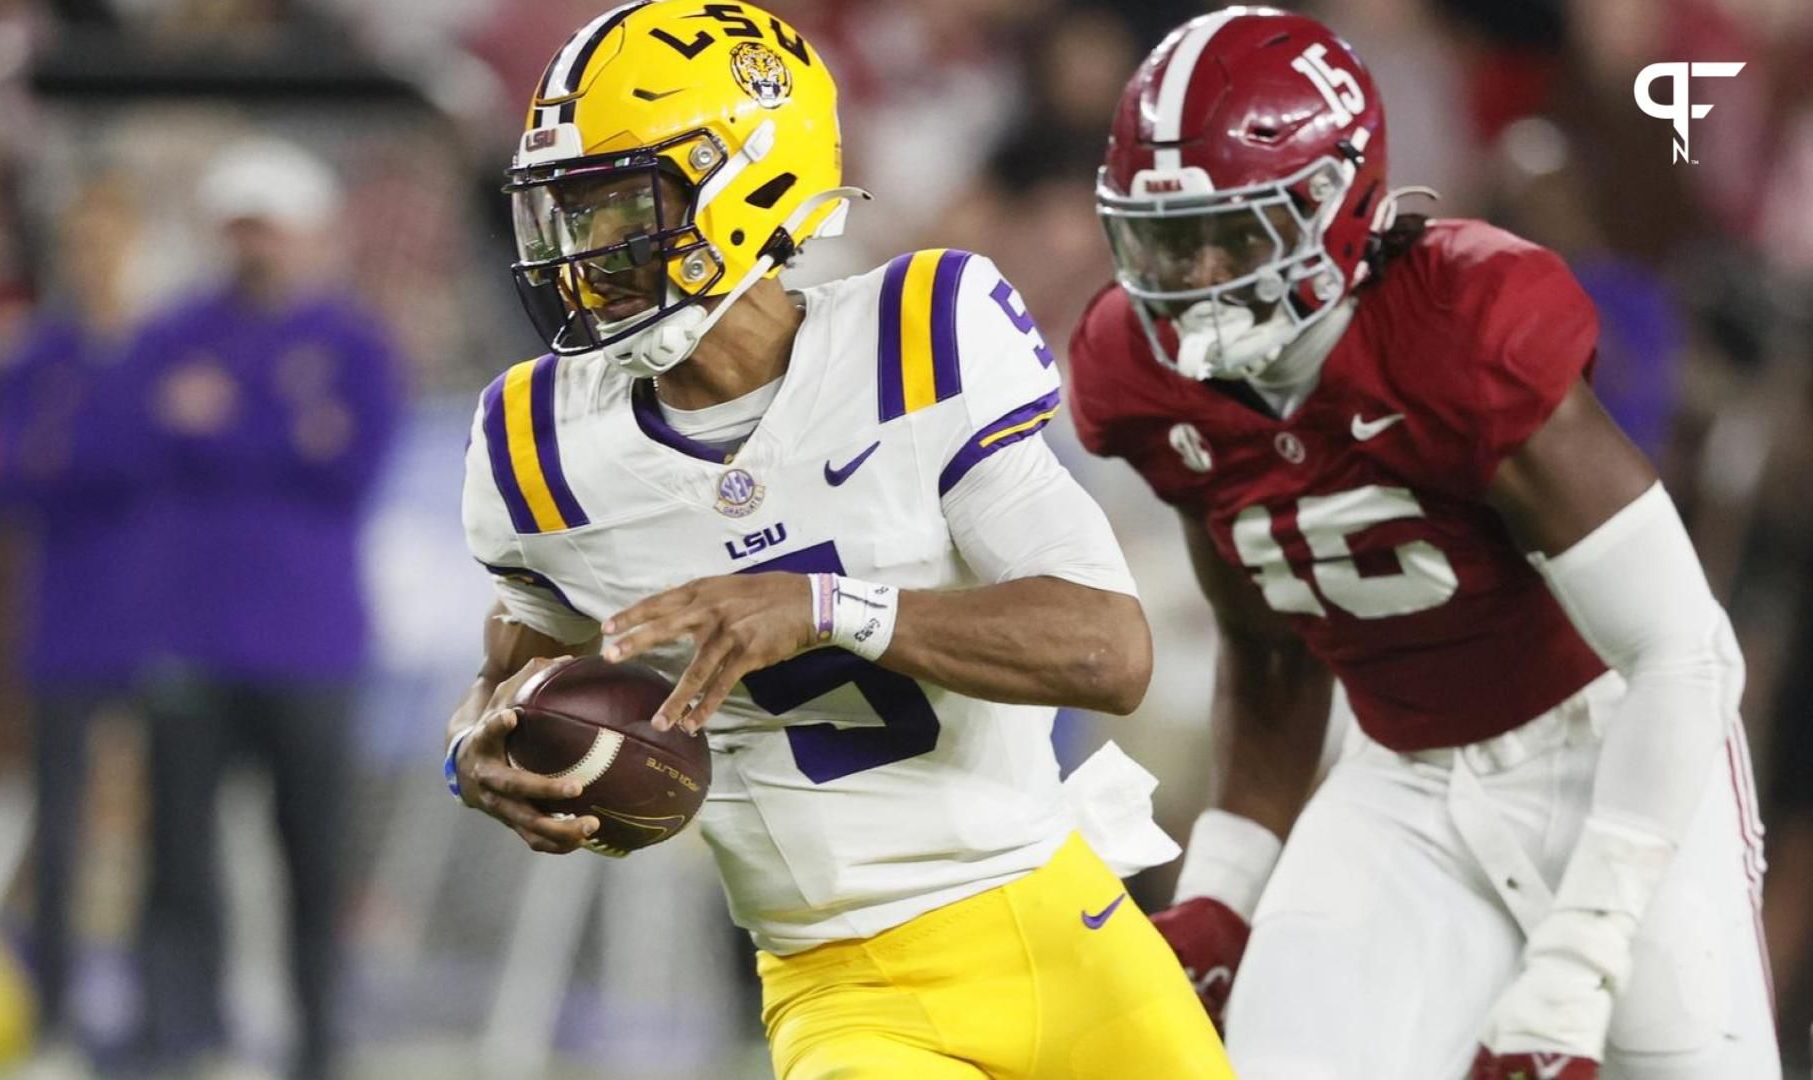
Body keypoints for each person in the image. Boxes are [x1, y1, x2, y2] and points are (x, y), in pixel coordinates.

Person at [443, 3, 1232, 1078]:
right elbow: (510, 680)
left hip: (1063, 930)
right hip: (840, 987)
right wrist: (474, 754)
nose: (582, 254)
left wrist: (825, 608)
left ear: (750, 178)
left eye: (617, 205)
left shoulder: (916, 338)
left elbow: (1110, 652)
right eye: (567, 217)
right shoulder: (542, 445)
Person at [1066, 8, 1777, 1080]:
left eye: (1234, 233)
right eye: (1167, 239)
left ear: (1334, 204)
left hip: (1615, 747)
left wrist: (1577, 963)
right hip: (1399, 770)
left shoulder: (1461, 324)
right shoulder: (1137, 371)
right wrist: (1224, 886)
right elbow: (1264, 642)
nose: (1197, 277)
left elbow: (1680, 651)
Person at [128, 136, 401, 1080]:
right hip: (193, 638)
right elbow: (144, 441)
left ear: (312, 235)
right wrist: (283, 432)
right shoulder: (172, 333)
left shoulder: (355, 344)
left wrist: (223, 421)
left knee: (314, 861)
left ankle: (319, 1044)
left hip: (308, 644)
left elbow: (352, 469)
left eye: (270, 229)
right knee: (174, 856)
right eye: (239, 228)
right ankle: (175, 1037)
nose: (253, 247)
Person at [0, 176, 154, 1068]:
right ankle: (54, 1011)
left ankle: (164, 1010)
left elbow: (179, 464)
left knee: (170, 825)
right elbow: (7, 475)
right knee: (56, 826)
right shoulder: (37, 356)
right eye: (79, 242)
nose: (92, 260)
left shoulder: (161, 346)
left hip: (160, 622)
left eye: (108, 240)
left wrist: (73, 452)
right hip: (65, 620)